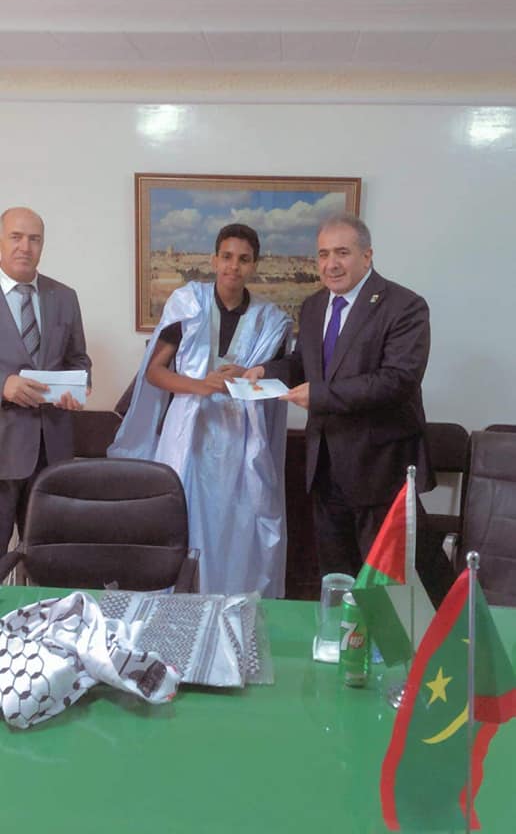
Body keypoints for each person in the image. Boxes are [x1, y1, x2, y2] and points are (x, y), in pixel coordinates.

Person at [246, 213, 437, 585]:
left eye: (342, 252)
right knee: (337, 578)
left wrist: (320, 395)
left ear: (367, 256)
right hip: (324, 468)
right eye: (323, 254)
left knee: (385, 587)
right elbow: (305, 362)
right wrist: (266, 371)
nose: (330, 264)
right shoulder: (314, 306)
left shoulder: (405, 306)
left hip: (379, 471)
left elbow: (397, 381)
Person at [108, 223, 292, 597]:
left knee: (235, 525)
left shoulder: (269, 319)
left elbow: (275, 381)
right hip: (187, 434)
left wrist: (248, 374)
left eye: (243, 259)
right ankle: (173, 610)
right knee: (183, 519)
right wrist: (199, 385)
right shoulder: (188, 303)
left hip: (240, 439)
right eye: (227, 257)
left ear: (254, 265)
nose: (233, 267)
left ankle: (229, 604)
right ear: (213, 260)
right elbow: (155, 372)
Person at [0, 206, 92, 555]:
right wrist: (3, 384)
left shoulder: (64, 297)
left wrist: (78, 387)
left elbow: (78, 359)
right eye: (16, 237)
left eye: (34, 239)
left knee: (48, 557)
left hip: (52, 452)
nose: (25, 247)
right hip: (2, 447)